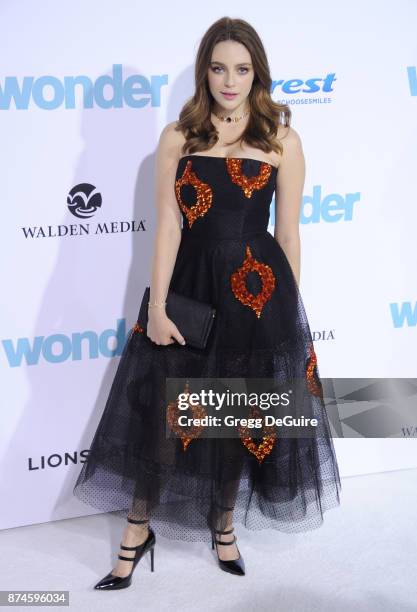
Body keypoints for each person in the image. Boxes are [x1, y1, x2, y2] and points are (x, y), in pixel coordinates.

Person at [73, 16, 342, 590]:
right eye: (219, 67)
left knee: (235, 417)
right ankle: (135, 532)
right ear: (205, 71)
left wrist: (286, 319)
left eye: (242, 69)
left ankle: (224, 529)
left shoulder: (282, 141)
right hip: (191, 290)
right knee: (164, 419)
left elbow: (289, 235)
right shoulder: (179, 137)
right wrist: (160, 305)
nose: (230, 80)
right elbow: (167, 227)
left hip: (258, 293)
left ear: (257, 73)